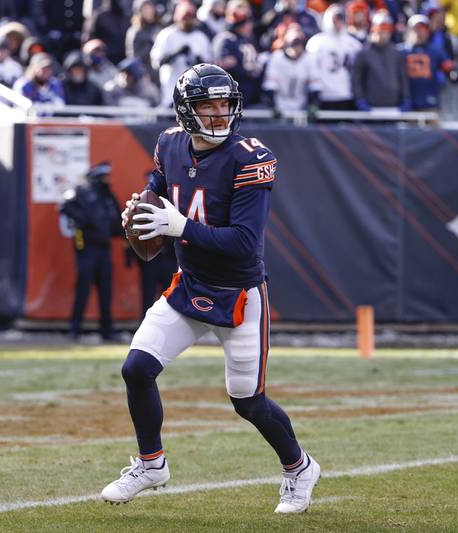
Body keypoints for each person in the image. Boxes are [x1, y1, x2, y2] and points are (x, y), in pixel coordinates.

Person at [102, 64, 320, 513]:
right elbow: (159, 182)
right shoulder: (170, 142)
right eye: (208, 106)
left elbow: (243, 242)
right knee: (137, 369)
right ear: (186, 110)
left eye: (225, 105)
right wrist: (142, 206)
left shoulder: (249, 158)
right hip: (190, 286)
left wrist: (180, 225)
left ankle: (299, 468)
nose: (220, 115)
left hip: (239, 295)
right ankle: (151, 464)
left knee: (248, 403)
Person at [60, 162, 122, 341]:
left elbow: (115, 219)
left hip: (104, 249)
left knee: (106, 291)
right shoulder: (81, 191)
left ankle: (107, 330)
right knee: (83, 289)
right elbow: (64, 206)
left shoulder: (107, 195)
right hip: (86, 248)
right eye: (103, 177)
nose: (106, 180)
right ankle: (74, 329)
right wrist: (84, 221)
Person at [150, 1, 212, 107]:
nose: (188, 21)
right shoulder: (167, 35)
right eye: (185, 18)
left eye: (190, 18)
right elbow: (157, 62)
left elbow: (209, 68)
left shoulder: (201, 37)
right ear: (177, 18)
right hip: (171, 92)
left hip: (195, 94)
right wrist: (176, 53)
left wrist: (198, 60)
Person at [305, 4, 363, 110]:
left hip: (347, 94)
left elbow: (358, 72)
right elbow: (312, 69)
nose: (338, 22)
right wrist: (315, 91)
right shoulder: (317, 42)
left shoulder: (354, 44)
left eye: (341, 18)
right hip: (325, 95)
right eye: (335, 18)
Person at [351, 10, 410, 111]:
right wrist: (359, 99)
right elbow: (356, 80)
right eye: (379, 31)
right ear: (373, 31)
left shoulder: (396, 53)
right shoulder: (363, 53)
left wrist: (406, 98)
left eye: (385, 31)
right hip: (370, 108)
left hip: (393, 107)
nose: (382, 34)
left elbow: (402, 78)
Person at [263, 26, 322, 116]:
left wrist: (313, 105)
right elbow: (270, 87)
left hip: (302, 106)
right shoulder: (277, 58)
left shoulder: (309, 59)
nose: (296, 48)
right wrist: (273, 106)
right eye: (293, 43)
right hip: (280, 103)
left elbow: (315, 86)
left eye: (299, 43)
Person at [213, 0, 262, 107]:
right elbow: (224, 68)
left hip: (250, 93)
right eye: (246, 21)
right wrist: (246, 71)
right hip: (232, 95)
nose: (249, 25)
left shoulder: (248, 39)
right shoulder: (225, 39)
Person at [400, 14, 454, 111]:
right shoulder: (400, 51)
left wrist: (453, 73)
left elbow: (449, 68)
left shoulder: (435, 51)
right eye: (416, 29)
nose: (419, 32)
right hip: (406, 102)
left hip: (429, 100)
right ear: (409, 30)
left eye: (423, 29)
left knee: (433, 123)